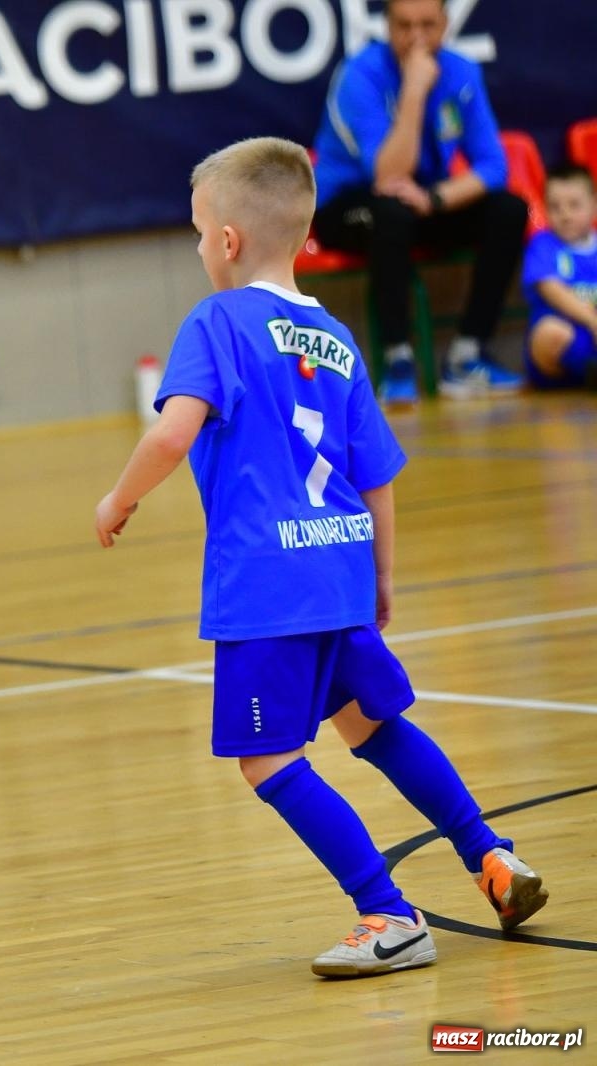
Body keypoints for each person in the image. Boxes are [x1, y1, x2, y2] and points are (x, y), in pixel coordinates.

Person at [93, 137, 548, 978]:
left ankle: (386, 912)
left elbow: (171, 432)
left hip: (270, 585)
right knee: (374, 726)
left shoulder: (216, 322)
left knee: (267, 759)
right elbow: (376, 477)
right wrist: (379, 579)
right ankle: (493, 855)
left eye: (199, 232)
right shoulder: (334, 334)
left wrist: (118, 500)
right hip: (340, 568)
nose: (198, 248)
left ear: (227, 242)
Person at [310, 0, 526, 405]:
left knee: (509, 210)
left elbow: (494, 166)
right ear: (387, 25)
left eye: (427, 25)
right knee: (390, 213)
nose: (416, 38)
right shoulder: (360, 75)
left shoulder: (462, 72)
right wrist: (413, 91)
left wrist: (436, 198)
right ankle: (398, 360)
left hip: (420, 200)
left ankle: (467, 354)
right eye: (404, 26)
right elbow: (389, 175)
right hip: (347, 206)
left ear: (445, 24)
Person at [522, 165, 597, 388]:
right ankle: (586, 373)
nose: (565, 214)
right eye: (555, 207)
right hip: (567, 339)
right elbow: (551, 289)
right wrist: (593, 321)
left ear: (594, 204)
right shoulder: (543, 244)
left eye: (574, 205)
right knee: (549, 332)